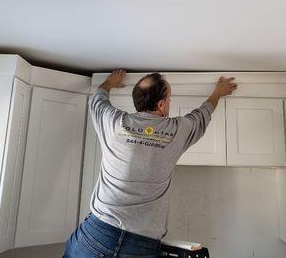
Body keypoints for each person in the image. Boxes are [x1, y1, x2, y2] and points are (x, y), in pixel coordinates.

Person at [64, 69, 237, 258]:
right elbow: (202, 115)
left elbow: (98, 99)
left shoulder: (114, 122)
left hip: (96, 235)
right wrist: (218, 92)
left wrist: (109, 82)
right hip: (140, 245)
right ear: (162, 104)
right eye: (170, 99)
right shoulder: (177, 131)